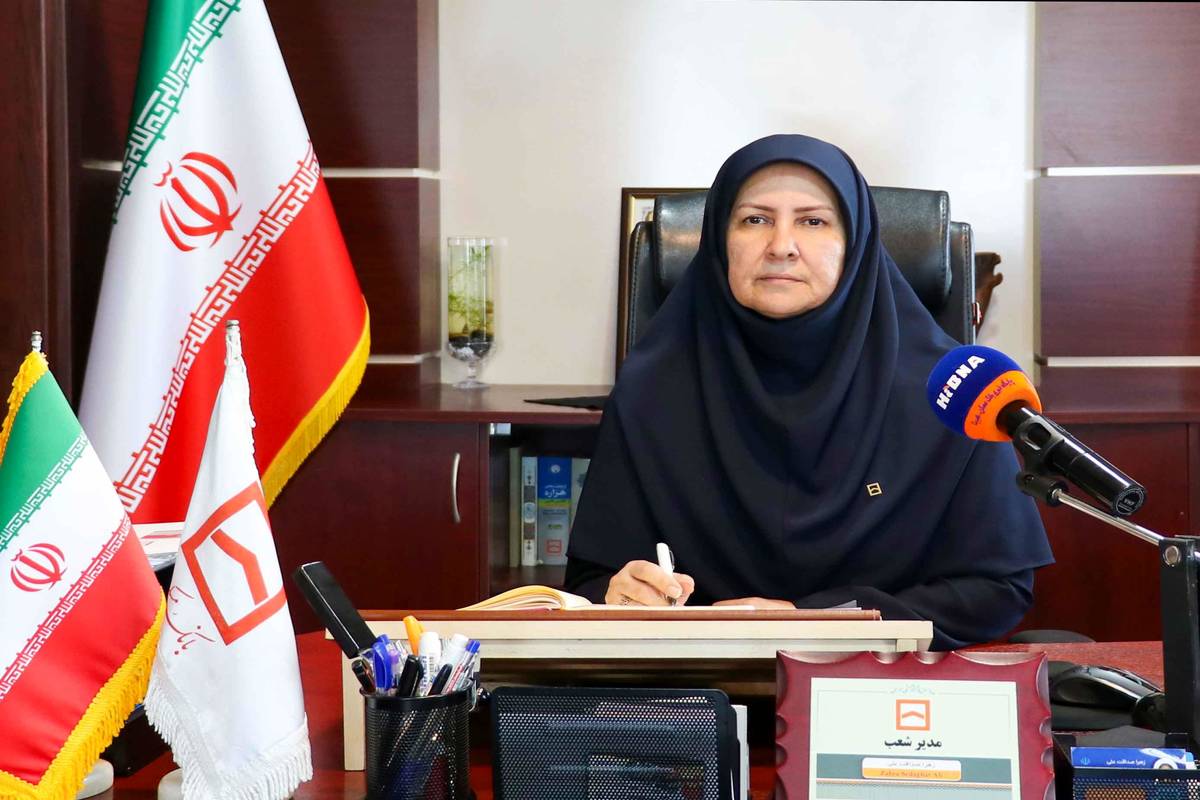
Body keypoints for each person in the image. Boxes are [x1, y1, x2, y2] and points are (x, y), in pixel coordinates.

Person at [564, 134, 1053, 650]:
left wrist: (814, 619)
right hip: (703, 682)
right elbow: (592, 581)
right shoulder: (653, 391)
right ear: (719, 240)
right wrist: (618, 593)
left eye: (813, 221)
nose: (781, 245)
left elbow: (996, 590)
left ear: (855, 243)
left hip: (883, 682)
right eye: (755, 219)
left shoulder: (951, 393)